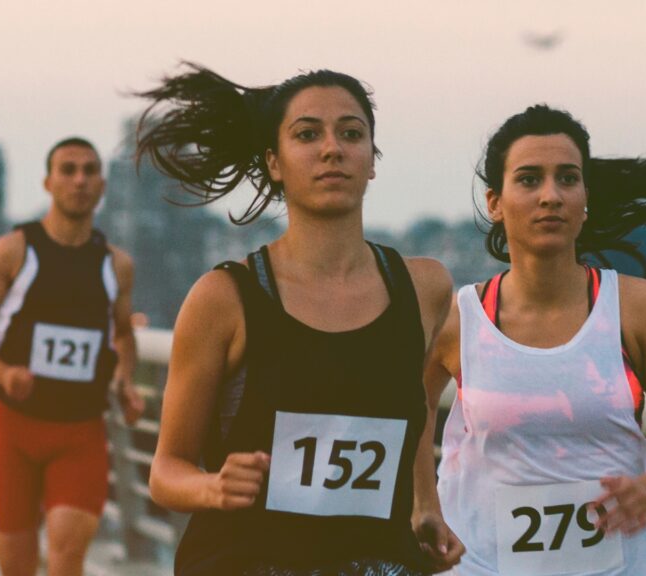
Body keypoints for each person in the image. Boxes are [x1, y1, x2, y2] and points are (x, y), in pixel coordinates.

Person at [137, 63, 464, 575]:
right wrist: (212, 486)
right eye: (307, 134)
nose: (332, 149)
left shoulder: (425, 288)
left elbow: (415, 405)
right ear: (274, 162)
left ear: (371, 161)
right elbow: (165, 471)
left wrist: (426, 505)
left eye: (351, 134)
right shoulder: (225, 298)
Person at [420, 105, 646, 575]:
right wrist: (423, 503)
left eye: (567, 179)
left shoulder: (639, 309)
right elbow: (408, 412)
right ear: (495, 202)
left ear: (585, 197)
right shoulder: (460, 318)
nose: (551, 196)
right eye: (529, 179)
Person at [0, 137, 145, 576]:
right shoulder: (14, 252)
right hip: (14, 427)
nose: (80, 180)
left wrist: (125, 381)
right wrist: (3, 372)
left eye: (90, 171)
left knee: (67, 558)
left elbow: (122, 334)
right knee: (17, 566)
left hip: (80, 431)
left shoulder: (116, 266)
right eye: (68, 170)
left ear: (102, 185)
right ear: (48, 182)